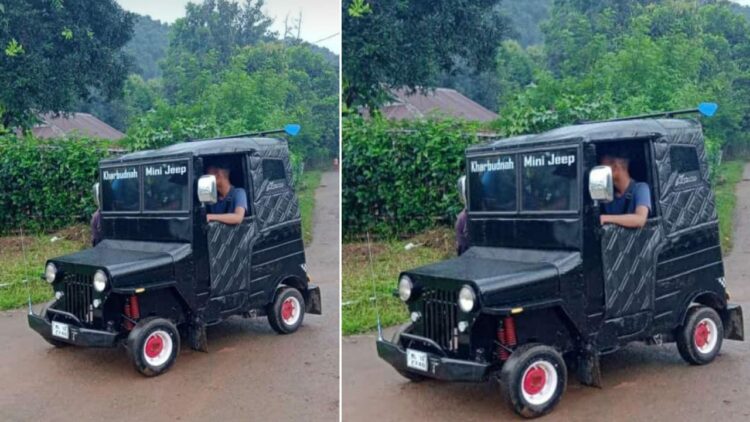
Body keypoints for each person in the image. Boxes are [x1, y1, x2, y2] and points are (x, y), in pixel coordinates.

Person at [599, 151, 651, 228]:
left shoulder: (641, 189)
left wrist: (605, 218)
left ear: (615, 168)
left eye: (602, 168)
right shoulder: (607, 194)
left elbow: (640, 219)